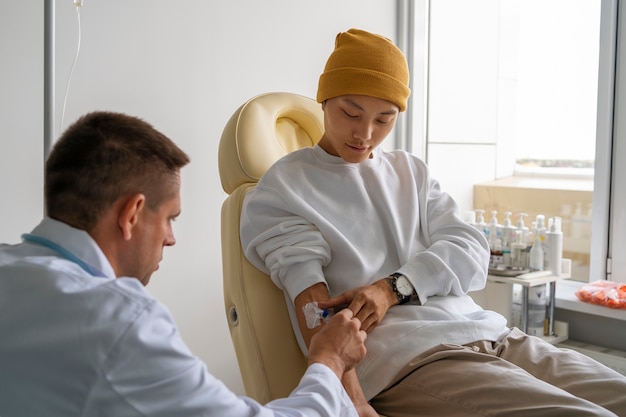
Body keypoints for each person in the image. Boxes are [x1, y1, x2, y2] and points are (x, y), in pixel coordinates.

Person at [240, 28, 626, 417]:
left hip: (489, 333)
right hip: (409, 360)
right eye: (350, 113)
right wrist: (355, 404)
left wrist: (392, 288)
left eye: (384, 119)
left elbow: (471, 250)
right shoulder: (284, 189)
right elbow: (314, 311)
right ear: (324, 100)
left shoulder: (411, 172)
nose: (365, 134)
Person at [0, 111, 368, 417]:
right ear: (132, 214)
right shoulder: (118, 321)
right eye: (169, 219)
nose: (170, 238)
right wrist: (329, 361)